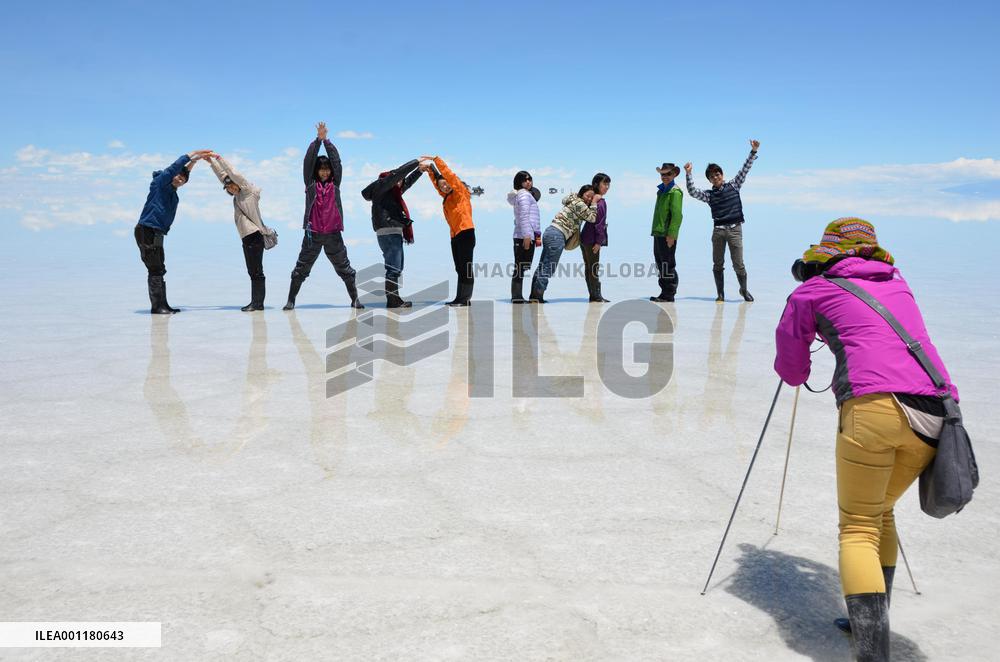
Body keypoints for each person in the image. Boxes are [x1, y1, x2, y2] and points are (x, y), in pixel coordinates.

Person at [774, 218, 958, 661]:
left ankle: (872, 652)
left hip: (874, 409)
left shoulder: (811, 291)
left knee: (858, 527)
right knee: (881, 512)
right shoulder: (898, 282)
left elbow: (792, 369)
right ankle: (869, 623)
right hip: (937, 411)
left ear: (826, 251)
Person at [283, 123, 362, 310]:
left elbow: (337, 161)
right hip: (313, 235)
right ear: (316, 171)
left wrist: (327, 141)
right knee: (301, 269)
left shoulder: (335, 184)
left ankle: (355, 299)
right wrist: (318, 141)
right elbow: (308, 161)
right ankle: (290, 301)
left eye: (327, 169)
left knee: (345, 269)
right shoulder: (310, 184)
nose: (325, 172)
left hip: (333, 234)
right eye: (321, 169)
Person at [134, 149, 214, 314]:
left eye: (183, 179)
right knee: (155, 268)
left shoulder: (173, 193)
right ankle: (157, 307)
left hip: (157, 233)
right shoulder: (160, 184)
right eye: (178, 176)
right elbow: (175, 168)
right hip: (147, 230)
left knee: (160, 268)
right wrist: (193, 155)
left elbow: (184, 172)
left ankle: (163, 305)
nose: (180, 179)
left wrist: (194, 163)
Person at [685, 139, 760, 302]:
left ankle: (744, 290)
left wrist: (753, 151)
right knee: (717, 263)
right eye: (712, 176)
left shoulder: (734, 185)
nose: (715, 177)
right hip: (718, 231)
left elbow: (745, 169)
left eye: (717, 174)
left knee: (738, 263)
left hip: (735, 230)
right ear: (709, 180)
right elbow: (692, 191)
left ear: (722, 174)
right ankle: (720, 294)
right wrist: (688, 174)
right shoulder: (709, 195)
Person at [208, 154, 270, 311]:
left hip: (254, 236)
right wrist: (211, 163)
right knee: (252, 271)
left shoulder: (247, 192)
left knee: (256, 271)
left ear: (238, 184)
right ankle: (256, 303)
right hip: (247, 237)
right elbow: (224, 177)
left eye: (232, 186)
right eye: (228, 188)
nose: (230, 189)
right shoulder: (236, 197)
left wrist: (219, 158)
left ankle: (258, 304)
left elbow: (233, 173)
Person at [361, 158, 423, 308]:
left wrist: (419, 171)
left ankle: (394, 299)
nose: (401, 182)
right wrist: (416, 162)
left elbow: (407, 182)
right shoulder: (383, 185)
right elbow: (399, 174)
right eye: (398, 180)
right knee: (393, 268)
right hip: (388, 230)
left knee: (396, 267)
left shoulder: (391, 192)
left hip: (391, 231)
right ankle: (393, 301)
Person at [420, 156, 476, 306]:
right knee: (459, 268)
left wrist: (436, 160)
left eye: (446, 184)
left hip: (466, 232)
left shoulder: (460, 192)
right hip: (455, 236)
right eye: (442, 186)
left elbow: (449, 175)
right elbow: (436, 183)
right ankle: (460, 298)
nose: (444, 187)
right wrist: (429, 170)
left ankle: (465, 299)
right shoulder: (447, 197)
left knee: (465, 267)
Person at [529, 186, 598, 303]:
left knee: (543, 265)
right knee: (548, 267)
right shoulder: (579, 204)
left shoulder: (572, 200)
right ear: (581, 194)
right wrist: (595, 202)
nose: (589, 199)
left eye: (592, 197)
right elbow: (592, 218)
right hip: (557, 235)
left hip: (551, 232)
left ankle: (534, 296)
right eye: (588, 196)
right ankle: (537, 297)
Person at [506, 171, 542, 303]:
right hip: (523, 236)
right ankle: (516, 297)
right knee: (520, 267)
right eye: (525, 180)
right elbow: (524, 216)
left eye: (530, 179)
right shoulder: (524, 195)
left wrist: (535, 236)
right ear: (519, 182)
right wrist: (527, 235)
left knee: (521, 267)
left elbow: (530, 218)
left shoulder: (524, 194)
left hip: (525, 235)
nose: (528, 182)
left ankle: (517, 296)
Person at [650, 164, 683, 302]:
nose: (665, 177)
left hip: (667, 234)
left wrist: (672, 235)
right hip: (658, 232)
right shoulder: (661, 191)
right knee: (660, 263)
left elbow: (677, 215)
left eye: (668, 174)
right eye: (663, 174)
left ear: (674, 174)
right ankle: (664, 292)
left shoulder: (675, 192)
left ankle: (669, 294)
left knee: (668, 264)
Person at [581, 173, 611, 303]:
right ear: (596, 184)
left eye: (608, 184)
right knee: (593, 268)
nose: (607, 187)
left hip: (584, 238)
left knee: (589, 268)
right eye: (604, 184)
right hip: (592, 240)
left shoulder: (589, 200)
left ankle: (593, 295)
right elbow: (599, 224)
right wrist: (599, 242)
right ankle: (596, 296)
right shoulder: (601, 202)